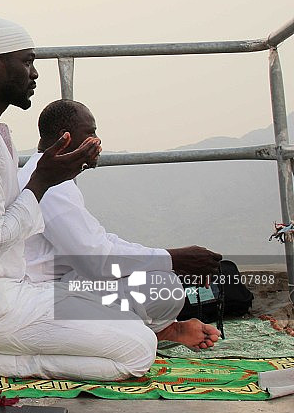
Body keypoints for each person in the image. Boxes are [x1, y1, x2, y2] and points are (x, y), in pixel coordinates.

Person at [0, 18, 216, 383]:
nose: (34, 74)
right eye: (27, 62)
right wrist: (42, 183)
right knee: (139, 351)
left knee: (135, 326)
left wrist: (47, 180)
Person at [18, 99, 223, 345]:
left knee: (161, 277)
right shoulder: (50, 187)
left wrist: (167, 261)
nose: (98, 142)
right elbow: (96, 262)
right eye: (91, 133)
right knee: (164, 287)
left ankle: (161, 330)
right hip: (41, 296)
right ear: (66, 138)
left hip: (63, 282)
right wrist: (174, 259)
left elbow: (103, 242)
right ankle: (161, 333)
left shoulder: (49, 177)